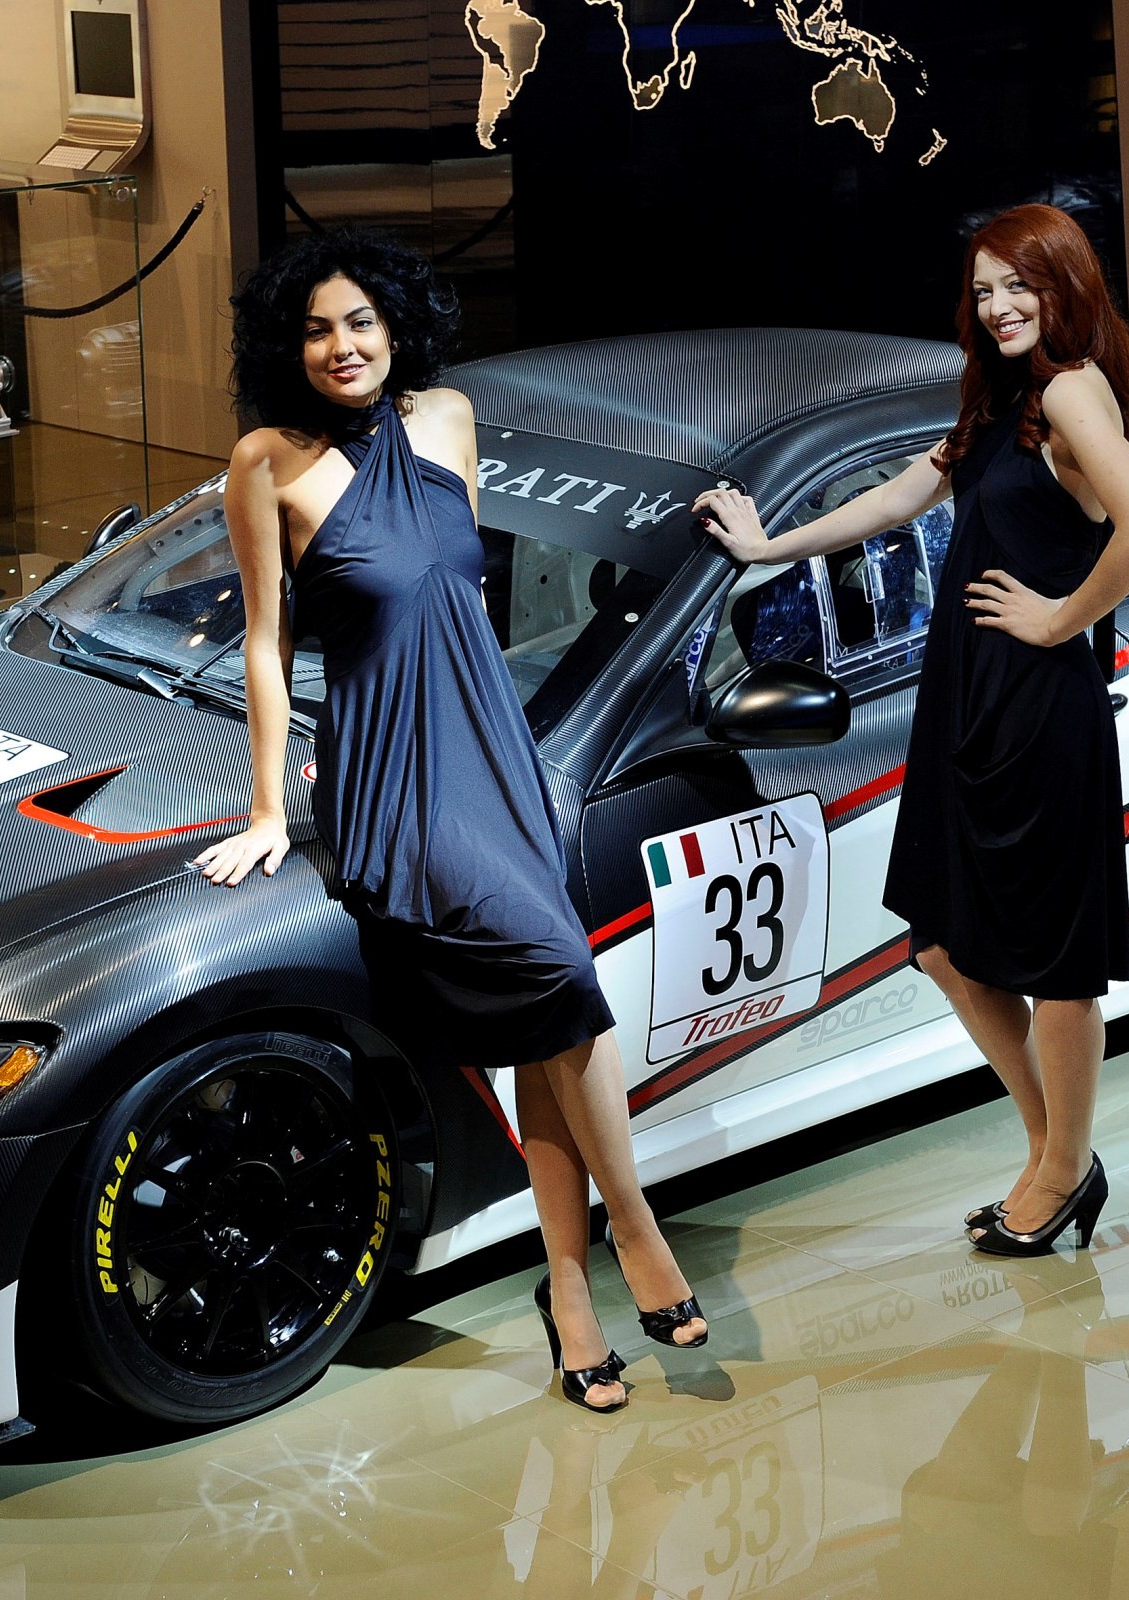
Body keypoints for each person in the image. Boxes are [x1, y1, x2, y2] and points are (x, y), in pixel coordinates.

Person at [196, 229, 708, 1410]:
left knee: (543, 1027)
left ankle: (569, 1294)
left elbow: (460, 591)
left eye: (360, 321)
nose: (341, 345)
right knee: (558, 978)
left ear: (397, 326)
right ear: (286, 345)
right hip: (396, 770)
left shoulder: (448, 420)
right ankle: (636, 1227)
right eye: (316, 329)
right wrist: (271, 805)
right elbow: (267, 644)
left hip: (492, 751)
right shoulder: (266, 463)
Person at [694, 203, 1129, 1257]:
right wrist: (769, 548)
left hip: (1041, 713)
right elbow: (899, 499)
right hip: (973, 707)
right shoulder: (1004, 395)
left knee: (1057, 966)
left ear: (1066, 286)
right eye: (984, 288)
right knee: (946, 947)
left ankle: (1059, 1168)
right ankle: (1058, 1152)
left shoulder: (1071, 390)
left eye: (1020, 285)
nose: (998, 306)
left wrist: (1060, 617)